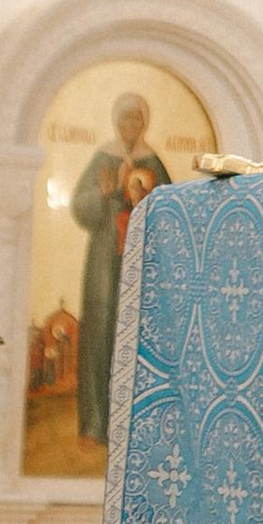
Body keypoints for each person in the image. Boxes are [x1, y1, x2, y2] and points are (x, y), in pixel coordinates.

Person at [71, 92, 172, 445]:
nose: (131, 126)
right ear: (117, 122)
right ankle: (94, 423)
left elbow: (170, 209)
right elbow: (79, 205)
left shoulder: (152, 161)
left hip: (141, 258)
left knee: (135, 334)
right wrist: (103, 195)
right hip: (103, 255)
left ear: (144, 123)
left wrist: (144, 200)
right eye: (125, 120)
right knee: (100, 332)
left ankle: (133, 427)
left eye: (137, 120)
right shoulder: (103, 157)